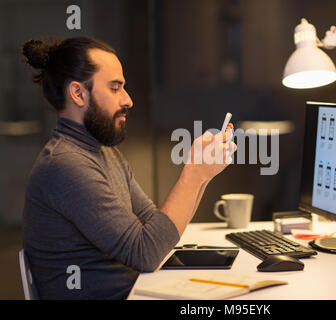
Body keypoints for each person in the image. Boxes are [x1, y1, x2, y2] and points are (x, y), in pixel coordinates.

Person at [21, 37, 236, 299]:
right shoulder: (65, 164)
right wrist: (194, 172)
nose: (128, 100)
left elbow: (155, 230)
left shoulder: (105, 153)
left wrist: (204, 174)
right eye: (115, 88)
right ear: (78, 93)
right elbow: (145, 252)